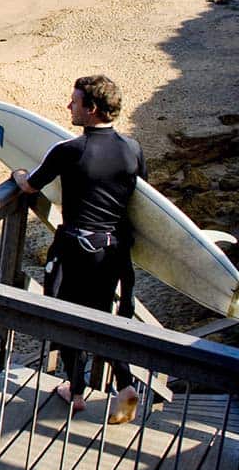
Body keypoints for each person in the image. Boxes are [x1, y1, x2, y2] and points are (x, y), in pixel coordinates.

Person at [11, 75, 145, 424]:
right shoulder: (132, 149)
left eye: (75, 102)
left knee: (65, 316)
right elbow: (143, 201)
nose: (69, 106)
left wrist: (17, 172)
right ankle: (126, 385)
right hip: (112, 251)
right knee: (104, 316)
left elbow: (29, 186)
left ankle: (76, 388)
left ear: (93, 109)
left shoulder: (69, 151)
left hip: (74, 249)